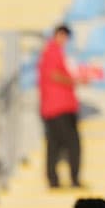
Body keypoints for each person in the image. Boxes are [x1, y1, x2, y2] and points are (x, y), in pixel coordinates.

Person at [38, 25, 82, 189]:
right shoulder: (53, 52)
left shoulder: (51, 52)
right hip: (59, 106)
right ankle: (72, 178)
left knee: (54, 144)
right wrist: (73, 80)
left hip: (54, 107)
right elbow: (54, 75)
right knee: (72, 144)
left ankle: (54, 180)